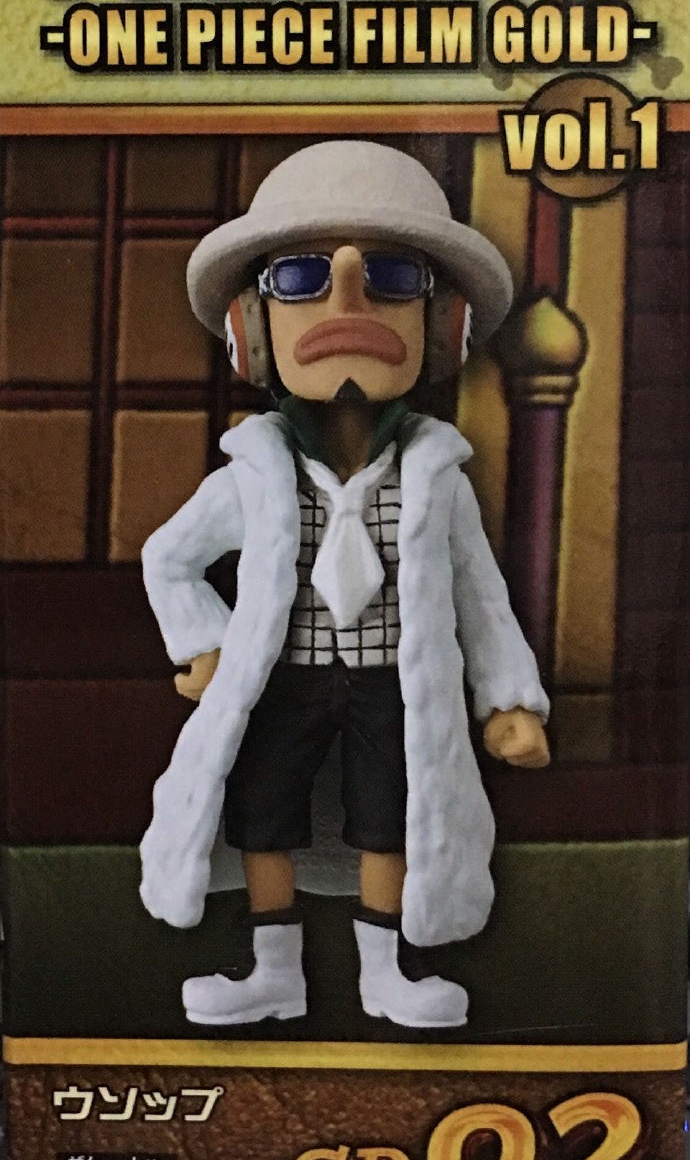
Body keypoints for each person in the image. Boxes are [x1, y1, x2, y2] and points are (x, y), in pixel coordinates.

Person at [140, 140, 550, 1030]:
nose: (348, 302)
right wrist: (204, 642)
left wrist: (509, 699)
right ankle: (270, 969)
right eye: (300, 277)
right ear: (252, 326)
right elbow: (168, 558)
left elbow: (482, 599)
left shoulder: (437, 478)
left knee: (391, 816)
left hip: (390, 683)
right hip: (282, 678)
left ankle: (387, 971)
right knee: (262, 811)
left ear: (444, 326)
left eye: (394, 277)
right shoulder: (251, 475)